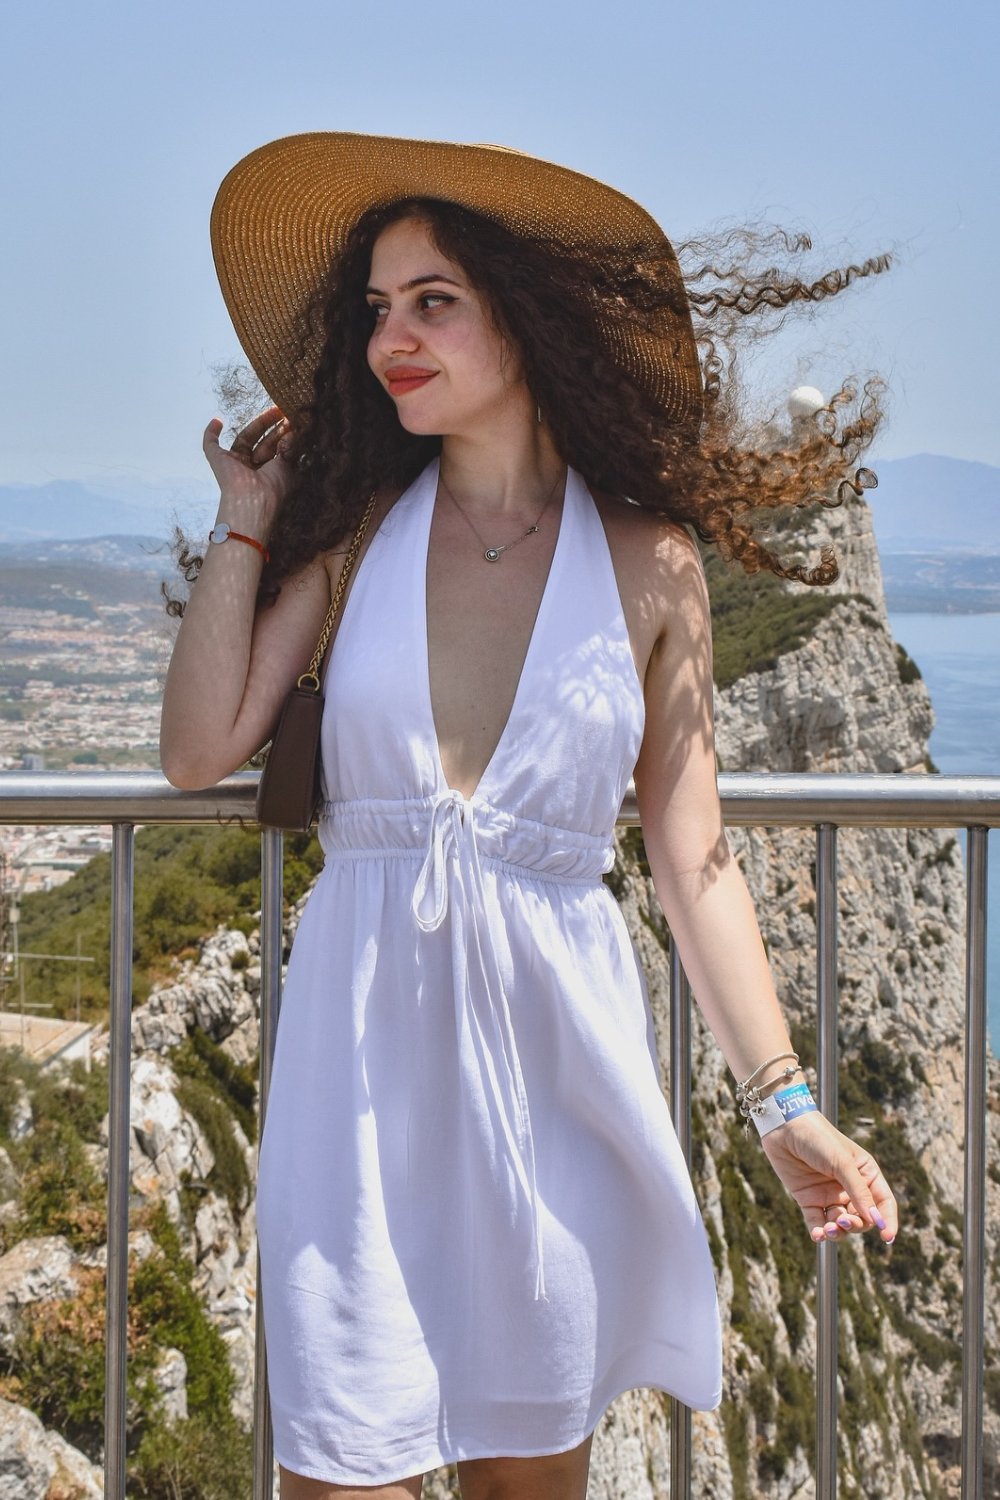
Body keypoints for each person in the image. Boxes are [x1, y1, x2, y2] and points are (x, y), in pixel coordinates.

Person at [160, 133, 899, 1500]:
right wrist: (250, 519)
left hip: (547, 1083)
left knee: (527, 1479)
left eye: (432, 299)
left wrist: (785, 1105)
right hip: (358, 1078)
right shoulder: (356, 534)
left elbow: (697, 860)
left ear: (525, 312)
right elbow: (200, 748)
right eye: (377, 309)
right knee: (340, 1462)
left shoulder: (648, 565)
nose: (395, 335)